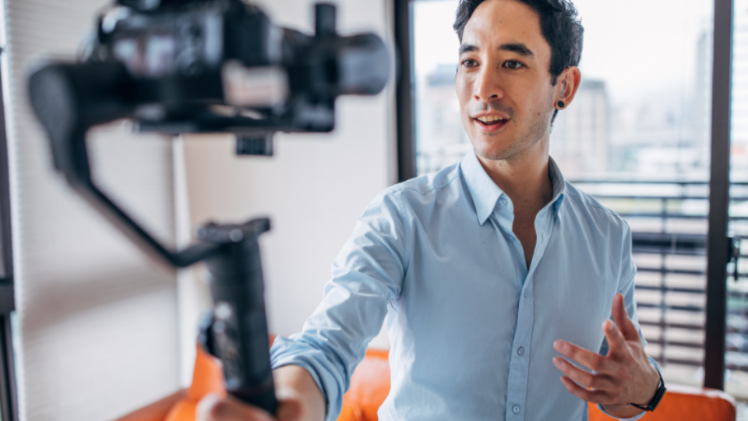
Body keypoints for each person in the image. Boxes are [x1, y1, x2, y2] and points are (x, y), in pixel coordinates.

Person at [197, 0, 664, 420]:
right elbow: (326, 345)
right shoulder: (401, 218)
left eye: (512, 63)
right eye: (470, 62)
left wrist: (647, 391)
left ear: (564, 85)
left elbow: (616, 384)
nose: (483, 88)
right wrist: (289, 405)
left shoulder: (608, 238)